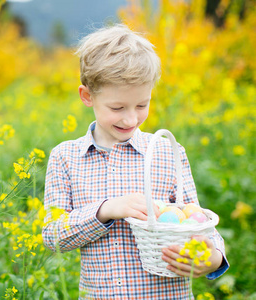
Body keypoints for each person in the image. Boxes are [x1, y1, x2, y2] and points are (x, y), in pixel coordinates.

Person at [42, 24, 229, 299]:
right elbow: (52, 236)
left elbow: (197, 220)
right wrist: (106, 209)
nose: (131, 119)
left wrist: (211, 258)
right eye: (117, 108)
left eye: (142, 105)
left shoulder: (166, 152)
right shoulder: (65, 158)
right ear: (87, 96)